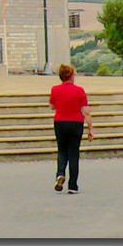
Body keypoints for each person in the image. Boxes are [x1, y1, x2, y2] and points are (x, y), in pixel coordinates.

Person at [49, 63, 93, 193]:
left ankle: (60, 173)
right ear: (72, 76)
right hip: (76, 123)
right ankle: (73, 185)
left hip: (60, 122)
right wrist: (90, 129)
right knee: (74, 153)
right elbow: (86, 111)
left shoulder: (55, 89)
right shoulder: (79, 90)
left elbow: (52, 106)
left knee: (62, 150)